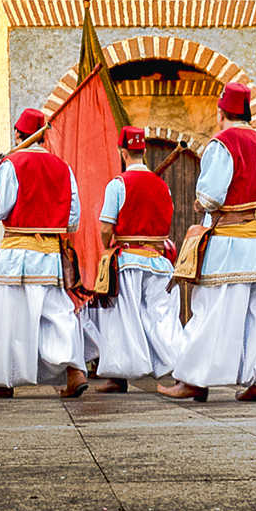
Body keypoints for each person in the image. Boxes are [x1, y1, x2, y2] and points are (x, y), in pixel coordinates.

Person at [159, 84, 256, 403]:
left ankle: (193, 378)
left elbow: (210, 195)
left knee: (212, 309)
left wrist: (202, 202)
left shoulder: (224, 142)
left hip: (232, 240)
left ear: (221, 112)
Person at [0, 108, 87, 399]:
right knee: (56, 314)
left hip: (15, 254)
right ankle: (74, 369)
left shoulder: (11, 165)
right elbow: (72, 219)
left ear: (18, 134)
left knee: (8, 315)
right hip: (49, 253)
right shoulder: (63, 167)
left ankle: (2, 382)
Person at [84, 130, 181, 393]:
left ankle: (119, 377)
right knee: (161, 317)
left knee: (122, 318)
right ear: (144, 152)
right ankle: (181, 368)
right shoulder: (163, 186)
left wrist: (107, 248)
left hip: (127, 259)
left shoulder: (118, 184)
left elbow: (106, 227)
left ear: (122, 152)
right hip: (159, 261)